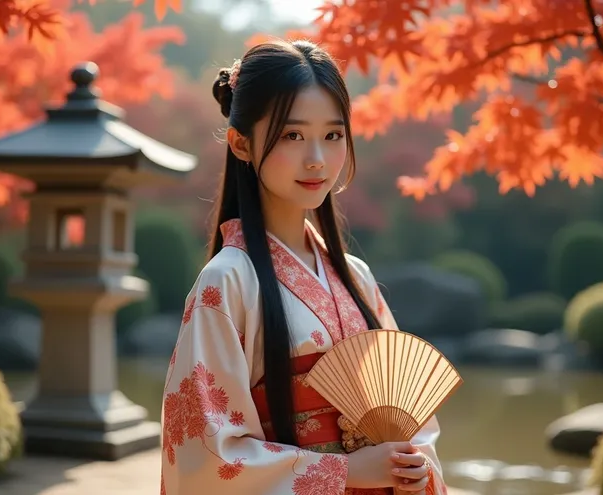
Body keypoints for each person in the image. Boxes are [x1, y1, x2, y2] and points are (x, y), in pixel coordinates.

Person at [160, 39, 447, 495]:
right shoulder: (226, 282)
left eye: (332, 135)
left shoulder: (356, 276)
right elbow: (207, 454)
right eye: (292, 135)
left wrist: (412, 465)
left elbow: (412, 417)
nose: (317, 158)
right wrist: (346, 471)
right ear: (241, 143)